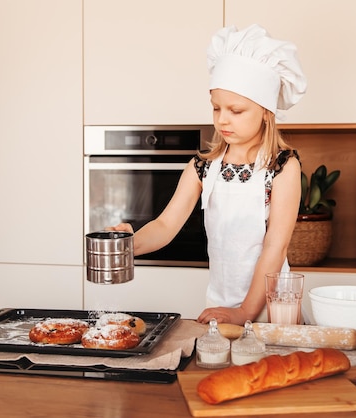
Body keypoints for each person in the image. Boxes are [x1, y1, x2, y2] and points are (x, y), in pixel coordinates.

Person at [108, 24, 307, 325]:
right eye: (216, 108)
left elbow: (274, 247)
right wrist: (129, 243)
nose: (222, 120)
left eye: (236, 111)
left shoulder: (282, 167)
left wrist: (245, 312)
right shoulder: (203, 166)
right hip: (220, 304)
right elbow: (164, 225)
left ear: (266, 111)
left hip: (270, 308)